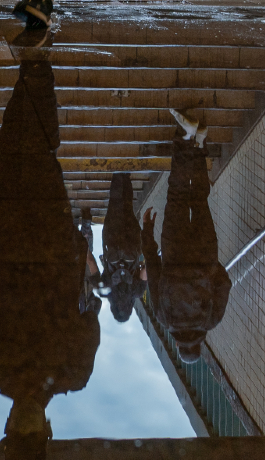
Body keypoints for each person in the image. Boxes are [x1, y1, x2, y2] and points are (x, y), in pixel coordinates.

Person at [0, 53, 101, 460]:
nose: (25, 421)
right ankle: (35, 66)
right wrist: (82, 264)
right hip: (30, 241)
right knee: (39, 154)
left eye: (18, 428)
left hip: (15, 239)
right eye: (33, 430)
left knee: (14, 150)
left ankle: (36, 66)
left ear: (8, 425)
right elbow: (90, 311)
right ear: (45, 428)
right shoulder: (70, 373)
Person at [139, 109, 230, 363]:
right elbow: (154, 270)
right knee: (178, 196)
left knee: (199, 200)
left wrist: (210, 266)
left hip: (204, 251)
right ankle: (185, 136)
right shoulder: (164, 318)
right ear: (178, 343)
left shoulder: (211, 320)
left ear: (200, 345)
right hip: (174, 250)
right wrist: (147, 233)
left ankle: (200, 142)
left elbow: (224, 283)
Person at [100, 171, 146, 323]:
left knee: (127, 207)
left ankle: (125, 176)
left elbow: (146, 271)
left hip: (132, 244)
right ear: (113, 309)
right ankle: (117, 174)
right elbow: (92, 264)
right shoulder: (107, 290)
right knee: (114, 205)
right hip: (111, 242)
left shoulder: (137, 292)